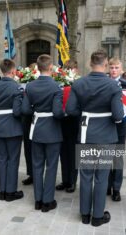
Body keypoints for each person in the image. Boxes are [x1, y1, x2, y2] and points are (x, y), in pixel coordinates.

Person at [66, 50, 124, 227]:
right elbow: (118, 115)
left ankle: (84, 214)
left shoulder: (79, 83)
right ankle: (97, 216)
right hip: (106, 136)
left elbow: (70, 109)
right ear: (106, 64)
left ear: (90, 64)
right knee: (101, 177)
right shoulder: (113, 86)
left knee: (85, 175)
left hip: (86, 134)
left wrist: (86, 114)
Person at [22, 54, 64, 212]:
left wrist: (36, 111)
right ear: (51, 67)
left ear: (37, 68)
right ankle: (48, 201)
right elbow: (57, 112)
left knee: (37, 166)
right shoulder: (56, 87)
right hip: (52, 131)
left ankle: (38, 200)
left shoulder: (30, 86)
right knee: (51, 166)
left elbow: (25, 110)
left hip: (37, 129)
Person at [0, 59, 24, 202]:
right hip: (13, 127)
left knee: (2, 159)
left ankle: (2, 191)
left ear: (2, 70)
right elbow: (16, 111)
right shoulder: (17, 87)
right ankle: (11, 192)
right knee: (13, 159)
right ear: (13, 71)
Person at [56, 59, 79, 193]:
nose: (69, 71)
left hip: (74, 121)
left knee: (73, 153)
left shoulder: (80, 83)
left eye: (72, 68)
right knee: (63, 153)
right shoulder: (60, 83)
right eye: (67, 69)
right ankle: (65, 180)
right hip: (62, 121)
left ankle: (72, 182)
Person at [107, 57, 126, 202]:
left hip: (120, 127)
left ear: (121, 70)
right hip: (106, 126)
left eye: (116, 68)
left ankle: (116, 188)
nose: (114, 70)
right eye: (111, 67)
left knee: (118, 159)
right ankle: (106, 185)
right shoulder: (104, 83)